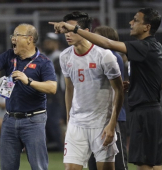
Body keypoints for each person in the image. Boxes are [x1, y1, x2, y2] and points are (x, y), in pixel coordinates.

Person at [49, 7, 162, 170]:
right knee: (151, 161)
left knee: (146, 164)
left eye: (136, 20)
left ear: (147, 27)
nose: (131, 22)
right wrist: (137, 85)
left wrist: (75, 29)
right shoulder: (149, 48)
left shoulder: (142, 47)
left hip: (143, 112)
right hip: (144, 110)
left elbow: (107, 43)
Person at [0, 23, 57, 170]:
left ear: (29, 39)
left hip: (33, 121)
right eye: (13, 36)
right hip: (10, 120)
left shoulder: (43, 62)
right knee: (7, 167)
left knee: (39, 167)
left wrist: (29, 81)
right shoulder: (9, 56)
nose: (13, 39)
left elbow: (52, 87)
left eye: (17, 35)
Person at [54, 11, 124, 170]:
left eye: (71, 29)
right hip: (77, 123)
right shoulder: (65, 56)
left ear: (86, 31)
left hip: (102, 123)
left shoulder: (104, 56)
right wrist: (68, 119)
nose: (67, 34)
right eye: (65, 30)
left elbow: (119, 91)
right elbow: (69, 89)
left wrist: (112, 124)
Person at [88, 26, 128, 170]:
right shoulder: (95, 56)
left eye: (96, 36)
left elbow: (112, 89)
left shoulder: (112, 56)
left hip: (112, 117)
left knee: (118, 163)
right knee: (95, 161)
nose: (92, 39)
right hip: (95, 117)